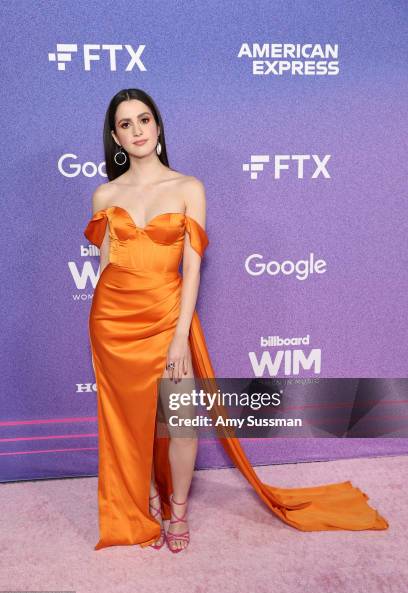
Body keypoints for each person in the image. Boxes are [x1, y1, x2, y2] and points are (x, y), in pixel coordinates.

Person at [83, 88, 388, 554]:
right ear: (115, 137)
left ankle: (177, 510)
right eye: (126, 124)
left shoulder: (189, 187)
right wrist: (98, 336)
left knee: (180, 422)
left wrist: (181, 335)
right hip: (113, 321)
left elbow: (192, 266)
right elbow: (106, 263)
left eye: (144, 119)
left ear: (158, 127)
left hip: (168, 317)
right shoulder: (105, 193)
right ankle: (143, 502)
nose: (138, 130)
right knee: (129, 421)